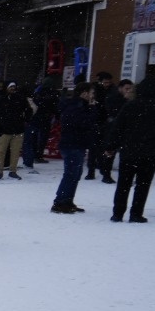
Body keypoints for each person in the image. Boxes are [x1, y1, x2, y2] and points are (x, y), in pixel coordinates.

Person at [105, 73, 155, 223]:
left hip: (129, 151)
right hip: (149, 153)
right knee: (143, 185)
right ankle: (136, 213)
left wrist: (111, 146)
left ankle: (118, 213)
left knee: (123, 184)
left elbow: (117, 128)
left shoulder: (130, 106)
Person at [51, 82, 100, 214]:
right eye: (91, 93)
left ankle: (67, 200)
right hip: (72, 144)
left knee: (75, 174)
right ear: (84, 93)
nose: (92, 96)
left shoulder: (78, 105)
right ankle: (60, 201)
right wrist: (92, 110)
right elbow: (83, 123)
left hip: (76, 143)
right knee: (71, 174)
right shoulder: (76, 106)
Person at [0, 81, 29, 180]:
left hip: (18, 129)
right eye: (10, 87)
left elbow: (29, 110)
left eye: (14, 87)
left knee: (15, 152)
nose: (12, 89)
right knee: (1, 151)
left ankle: (13, 171)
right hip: (3, 130)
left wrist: (26, 120)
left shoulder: (20, 98)